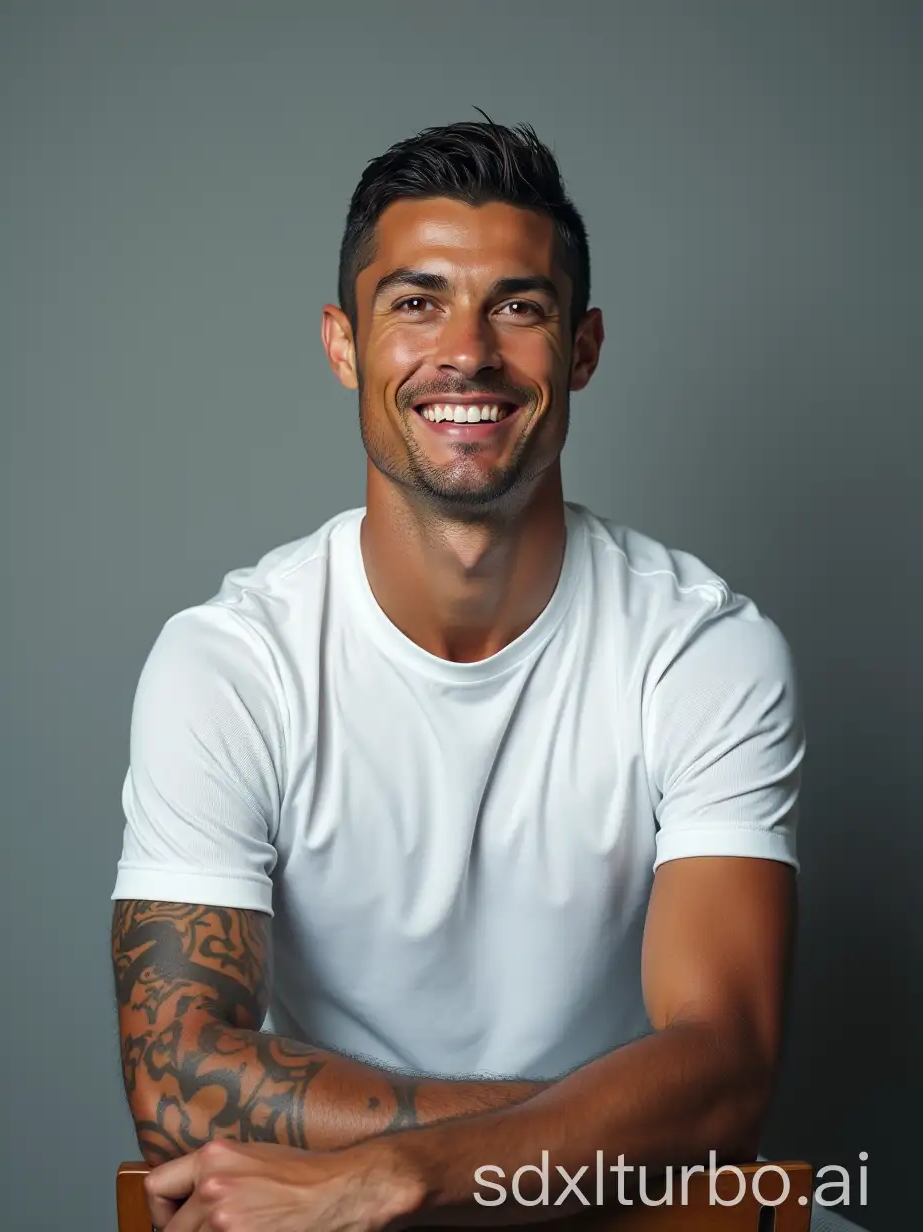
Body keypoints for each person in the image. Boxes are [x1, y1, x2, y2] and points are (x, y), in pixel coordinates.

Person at [111, 119, 805, 1232]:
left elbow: (724, 1067)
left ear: (580, 350)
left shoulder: (703, 650)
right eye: (416, 302)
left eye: (518, 307)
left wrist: (410, 1172)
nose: (468, 353)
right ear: (344, 344)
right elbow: (176, 1087)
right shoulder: (230, 663)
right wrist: (616, 1126)